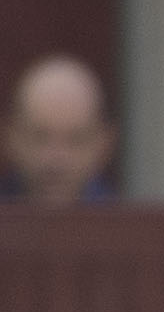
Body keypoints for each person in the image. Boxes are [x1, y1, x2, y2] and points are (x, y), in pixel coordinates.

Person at [1, 56, 115, 205]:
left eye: (76, 140)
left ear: (103, 144)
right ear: (11, 137)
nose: (56, 159)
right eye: (39, 137)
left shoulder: (130, 225)